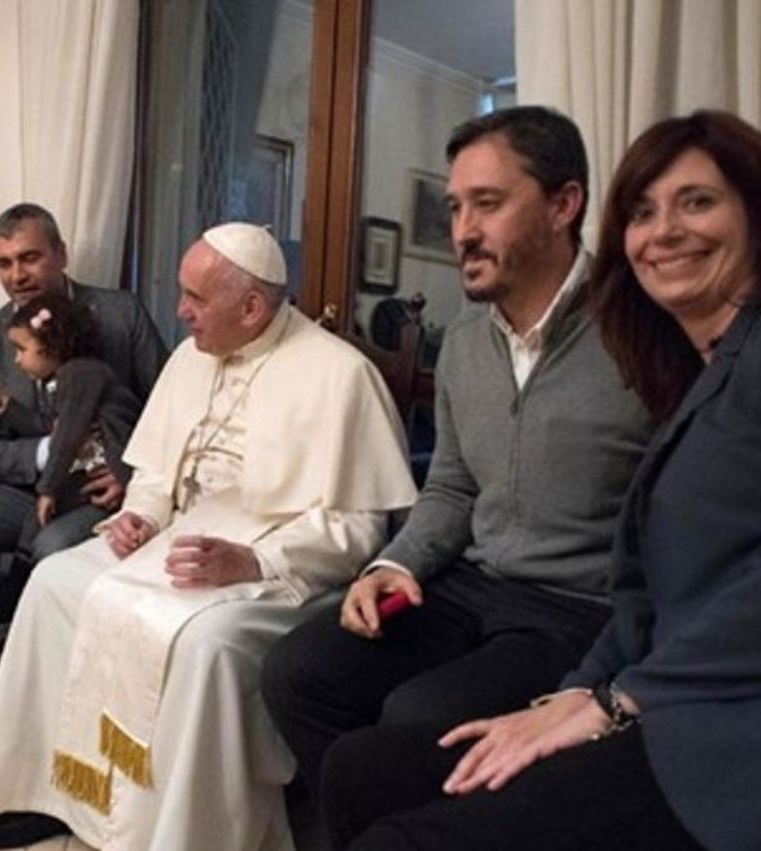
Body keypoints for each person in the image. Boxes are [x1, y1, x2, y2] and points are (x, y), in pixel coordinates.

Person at [308, 110, 761, 851]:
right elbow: (643, 592)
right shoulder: (698, 375)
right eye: (643, 213)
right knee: (363, 770)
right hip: (697, 699)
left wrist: (615, 703)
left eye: (696, 203)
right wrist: (575, 691)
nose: (662, 232)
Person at [0, 223, 419, 851]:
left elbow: (361, 532)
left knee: (202, 643)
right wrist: (139, 516)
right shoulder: (193, 358)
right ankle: (53, 796)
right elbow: (155, 477)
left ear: (253, 309)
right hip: (177, 541)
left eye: (195, 298)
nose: (180, 311)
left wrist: (253, 561)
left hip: (282, 564)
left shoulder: (338, 374)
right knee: (54, 584)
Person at [262, 106, 653, 806]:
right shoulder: (468, 341)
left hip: (575, 610)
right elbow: (450, 485)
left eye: (488, 204)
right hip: (471, 586)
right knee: (297, 672)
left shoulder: (643, 335)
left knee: (420, 719)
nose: (463, 231)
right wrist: (393, 564)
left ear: (565, 204)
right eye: (455, 207)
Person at [0, 202, 168, 753]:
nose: (16, 275)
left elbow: (169, 409)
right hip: (23, 491)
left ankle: (50, 707)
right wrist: (49, 453)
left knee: (51, 551)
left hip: (103, 495)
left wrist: (129, 475)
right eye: (2, 263)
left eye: (29, 258)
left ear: (61, 254)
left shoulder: (121, 314)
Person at [0, 292, 142, 640]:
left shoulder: (81, 374)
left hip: (109, 473)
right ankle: (6, 611)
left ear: (50, 345)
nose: (17, 360)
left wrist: (47, 489)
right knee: (30, 526)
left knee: (41, 528)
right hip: (85, 471)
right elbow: (50, 429)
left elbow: (67, 436)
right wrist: (10, 410)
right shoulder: (64, 380)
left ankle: (14, 611)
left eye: (23, 349)